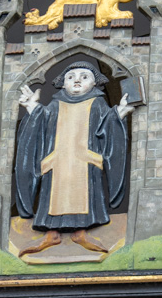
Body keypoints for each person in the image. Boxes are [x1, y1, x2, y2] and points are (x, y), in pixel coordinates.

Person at [14, 61, 134, 256]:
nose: (77, 80)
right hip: (57, 161)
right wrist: (31, 107)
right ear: (63, 84)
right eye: (71, 77)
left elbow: (107, 124)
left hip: (85, 161)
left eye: (84, 77)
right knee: (52, 194)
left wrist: (119, 113)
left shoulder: (97, 103)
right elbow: (40, 124)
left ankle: (81, 234)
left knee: (85, 192)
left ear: (94, 84)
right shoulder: (54, 104)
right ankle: (51, 234)